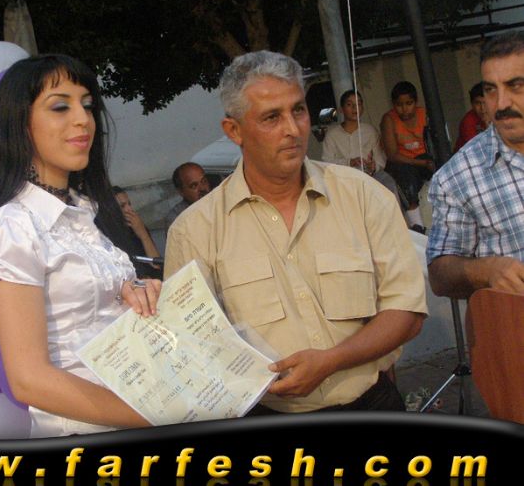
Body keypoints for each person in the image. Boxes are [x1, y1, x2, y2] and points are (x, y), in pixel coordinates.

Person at [165, 50, 426, 414]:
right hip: (266, 415)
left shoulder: (365, 196)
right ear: (234, 131)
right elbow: (191, 346)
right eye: (271, 117)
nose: (292, 129)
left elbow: (407, 311)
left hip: (371, 404)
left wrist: (332, 361)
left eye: (298, 110)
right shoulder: (195, 230)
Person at [0, 54, 161, 437]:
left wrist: (141, 295)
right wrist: (158, 415)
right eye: (60, 107)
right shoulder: (13, 227)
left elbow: (94, 310)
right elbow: (29, 380)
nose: (83, 119)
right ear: (20, 124)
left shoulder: (85, 212)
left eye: (87, 105)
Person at [427, 31, 524, 299]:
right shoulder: (457, 177)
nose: (501, 104)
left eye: (515, 86)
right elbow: (439, 276)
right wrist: (487, 270)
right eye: (490, 90)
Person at [322, 89, 400, 201]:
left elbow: (380, 158)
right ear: (341, 109)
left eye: (358, 104)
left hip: (370, 176)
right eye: (350, 104)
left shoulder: (370, 131)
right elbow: (326, 163)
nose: (355, 108)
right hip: (343, 179)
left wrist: (373, 166)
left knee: (389, 184)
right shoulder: (332, 135)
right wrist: (349, 162)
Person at [380, 81, 434, 233]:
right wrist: (422, 163)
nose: (404, 109)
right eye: (399, 105)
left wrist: (428, 162)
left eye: (409, 103)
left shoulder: (424, 114)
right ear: (393, 105)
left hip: (425, 159)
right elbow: (392, 155)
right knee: (408, 185)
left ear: (416, 102)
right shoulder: (389, 119)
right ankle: (419, 228)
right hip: (402, 162)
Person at [113, 185, 162, 279]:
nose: (129, 209)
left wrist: (143, 234)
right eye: (123, 206)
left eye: (129, 204)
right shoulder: (110, 238)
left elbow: (157, 264)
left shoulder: (136, 228)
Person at [164, 162, 210, 234]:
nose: (202, 188)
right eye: (194, 186)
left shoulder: (220, 203)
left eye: (204, 181)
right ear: (181, 191)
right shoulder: (176, 219)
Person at [453, 83, 489, 152]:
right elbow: (477, 150)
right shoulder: (468, 122)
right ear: (472, 105)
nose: (482, 108)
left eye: (485, 103)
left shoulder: (498, 116)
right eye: (478, 103)